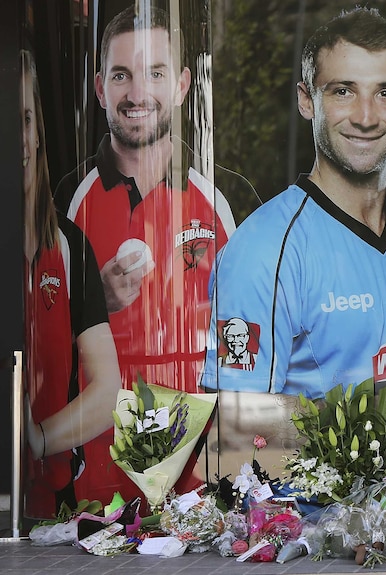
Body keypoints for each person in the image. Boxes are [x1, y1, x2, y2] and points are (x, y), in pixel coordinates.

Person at [200, 7, 386, 423]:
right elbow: (233, 429)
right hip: (316, 491)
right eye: (343, 91)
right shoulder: (263, 250)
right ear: (306, 100)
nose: (366, 117)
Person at [52, 5, 258, 505]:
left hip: (204, 456)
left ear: (184, 84)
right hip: (97, 460)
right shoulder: (65, 199)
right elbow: (42, 335)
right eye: (122, 75)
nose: (137, 93)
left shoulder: (229, 195)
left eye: (155, 73)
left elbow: (259, 337)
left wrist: (252, 458)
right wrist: (93, 302)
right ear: (100, 88)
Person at [20, 49, 123, 518]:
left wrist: (36, 440)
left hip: (51, 508)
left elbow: (106, 392)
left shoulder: (68, 245)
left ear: (38, 132)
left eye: (22, 118)